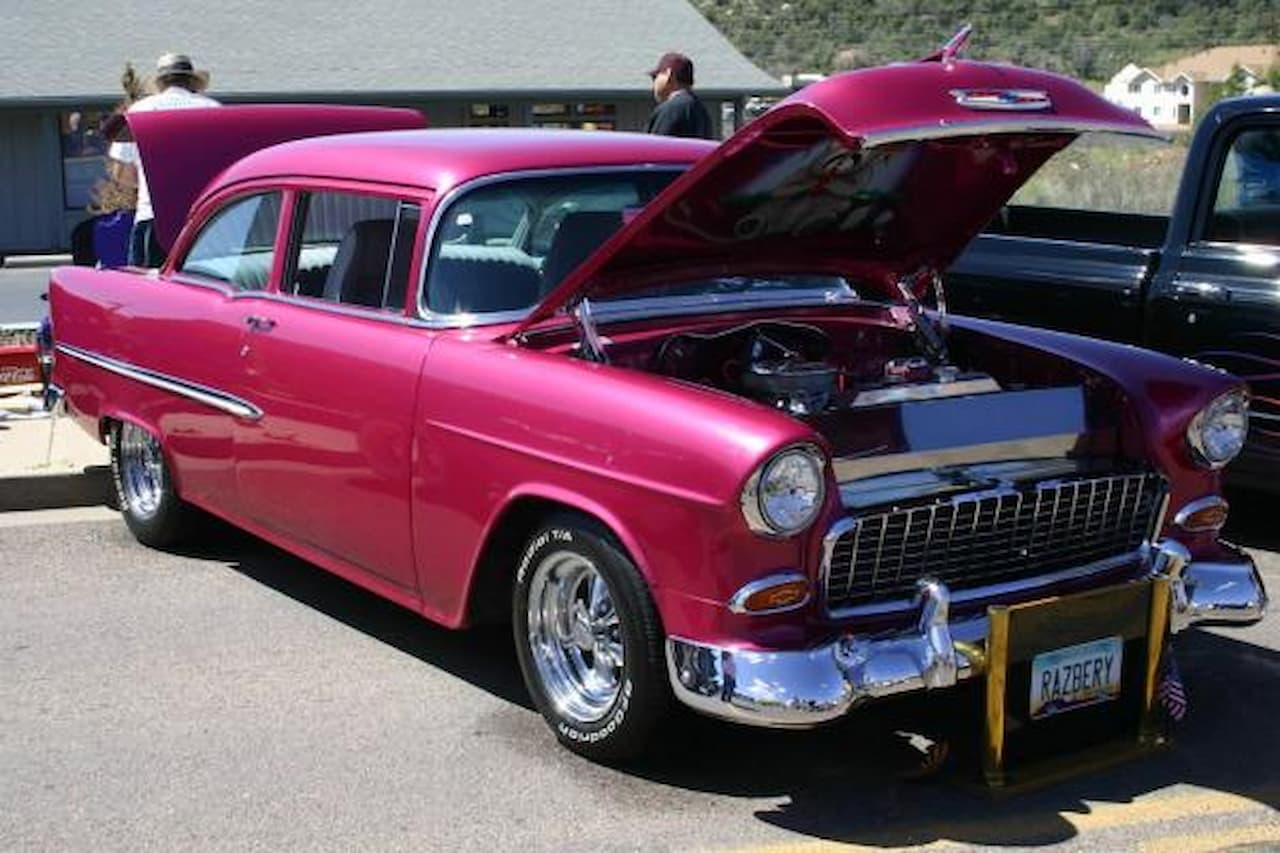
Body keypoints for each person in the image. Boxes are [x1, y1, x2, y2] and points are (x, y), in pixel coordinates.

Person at [109, 53, 220, 267]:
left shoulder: (139, 111)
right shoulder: (212, 109)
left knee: (148, 293)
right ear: (192, 80)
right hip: (206, 220)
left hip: (152, 216)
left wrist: (146, 183)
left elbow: (120, 172)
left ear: (159, 83)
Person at [646, 52, 714, 140]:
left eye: (655, 77)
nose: (654, 84)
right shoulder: (702, 111)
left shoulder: (670, 110)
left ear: (668, 75)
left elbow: (656, 149)